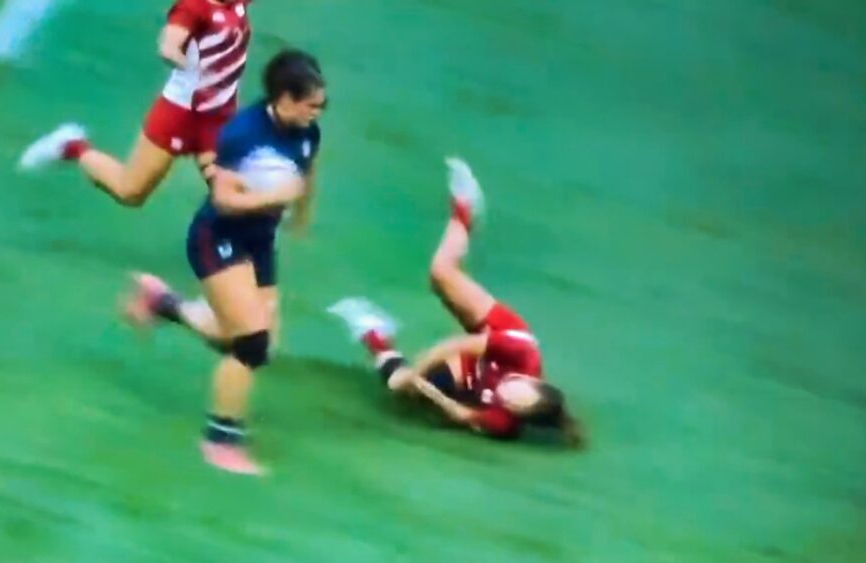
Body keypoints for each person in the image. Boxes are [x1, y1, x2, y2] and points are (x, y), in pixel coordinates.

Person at [121, 49, 327, 475]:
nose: (316, 112)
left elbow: (306, 172)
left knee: (253, 342)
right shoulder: (242, 134)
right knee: (250, 344)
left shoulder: (308, 132)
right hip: (218, 238)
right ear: (284, 98)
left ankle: (163, 303)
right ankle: (220, 441)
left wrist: (301, 217)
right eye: (310, 104)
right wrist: (277, 197)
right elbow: (226, 199)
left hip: (259, 239)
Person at [329, 158, 584, 446]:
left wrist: (429, 393)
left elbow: (464, 416)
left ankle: (376, 335)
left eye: (513, 401)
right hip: (498, 332)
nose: (508, 392)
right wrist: (414, 374)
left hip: (475, 368)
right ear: (533, 380)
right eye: (517, 387)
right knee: (441, 273)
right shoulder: (522, 354)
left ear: (519, 414)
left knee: (398, 387)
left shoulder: (504, 422)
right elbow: (452, 345)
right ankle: (465, 208)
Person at [17, 0, 253, 205]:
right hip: (179, 116)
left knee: (230, 192)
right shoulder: (193, 8)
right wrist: (181, 60)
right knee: (130, 191)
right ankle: (73, 146)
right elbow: (169, 44)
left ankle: (229, 248)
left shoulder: (236, 4)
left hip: (218, 119)